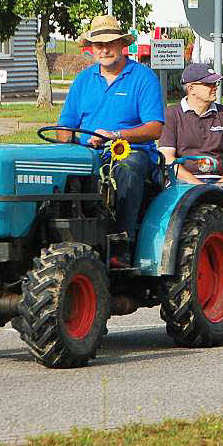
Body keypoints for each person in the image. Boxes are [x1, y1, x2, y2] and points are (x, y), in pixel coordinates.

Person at [56, 15, 164, 266]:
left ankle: (121, 245)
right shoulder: (82, 81)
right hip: (87, 153)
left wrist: (116, 135)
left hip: (129, 151)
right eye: (98, 45)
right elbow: (65, 125)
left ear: (121, 45)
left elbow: (155, 128)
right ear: (91, 49)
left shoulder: (143, 79)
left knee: (127, 167)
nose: (104, 50)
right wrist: (66, 143)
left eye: (110, 43)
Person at [158, 63, 223, 233]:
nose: (215, 87)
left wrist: (221, 185)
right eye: (209, 84)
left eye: (216, 83)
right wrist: (199, 186)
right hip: (184, 184)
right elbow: (167, 159)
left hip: (219, 183)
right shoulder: (172, 114)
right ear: (191, 89)